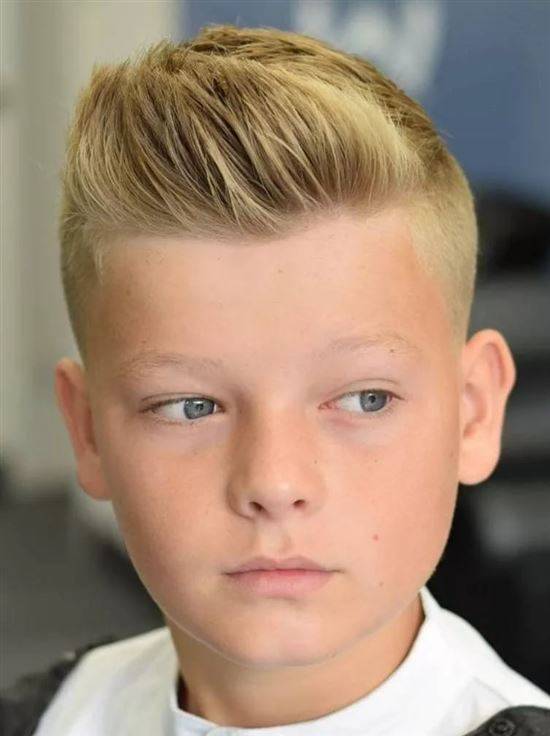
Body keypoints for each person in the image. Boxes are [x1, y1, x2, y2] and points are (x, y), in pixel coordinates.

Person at [6, 23, 550, 736]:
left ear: (473, 412)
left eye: (365, 399)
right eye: (190, 406)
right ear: (87, 432)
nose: (273, 481)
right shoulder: (47, 716)